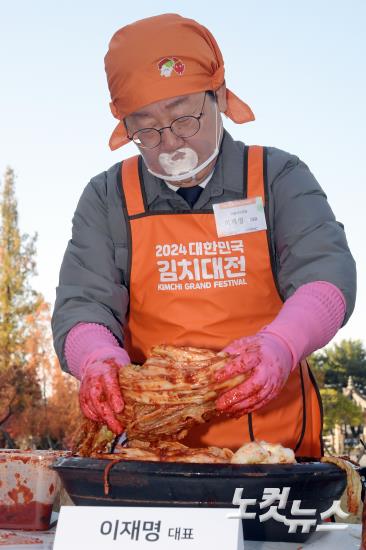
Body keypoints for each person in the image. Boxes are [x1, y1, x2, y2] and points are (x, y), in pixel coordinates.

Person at [52, 13, 356, 458]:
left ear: (218, 96)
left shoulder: (277, 177)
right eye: (147, 128)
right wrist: (96, 359)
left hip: (274, 453)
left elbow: (326, 274)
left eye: (184, 117)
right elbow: (82, 302)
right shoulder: (108, 196)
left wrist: (280, 345)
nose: (171, 142)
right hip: (151, 451)